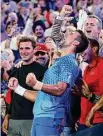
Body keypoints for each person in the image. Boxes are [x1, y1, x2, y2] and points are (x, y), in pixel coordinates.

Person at [7, 5, 88, 136]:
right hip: (43, 115)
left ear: (76, 43)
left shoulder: (68, 61)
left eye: (72, 33)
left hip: (51, 116)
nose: (68, 32)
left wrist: (36, 84)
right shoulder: (63, 58)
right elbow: (55, 34)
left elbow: (60, 89)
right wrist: (61, 16)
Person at [2, 36, 47, 136]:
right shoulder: (16, 70)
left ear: (34, 50)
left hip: (31, 120)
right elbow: (12, 96)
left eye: (27, 48)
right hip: (13, 120)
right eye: (21, 48)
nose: (24, 51)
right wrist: (7, 116)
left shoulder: (42, 71)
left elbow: (42, 97)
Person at [75, 38, 103, 131]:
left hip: (97, 120)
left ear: (94, 49)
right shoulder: (87, 68)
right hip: (84, 120)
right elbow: (86, 95)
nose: (81, 52)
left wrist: (92, 111)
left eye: (84, 49)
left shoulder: (101, 66)